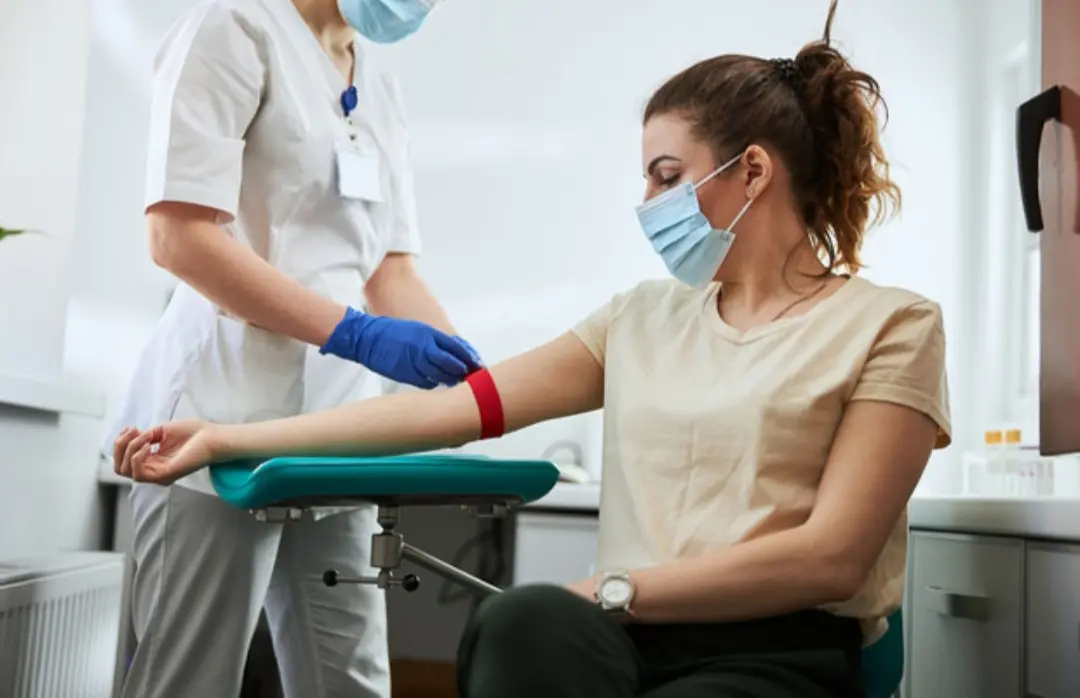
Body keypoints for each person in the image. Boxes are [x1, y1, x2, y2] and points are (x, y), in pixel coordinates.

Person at [114, 1, 951, 695]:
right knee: (504, 621)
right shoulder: (643, 319)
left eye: (664, 176)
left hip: (767, 645)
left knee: (368, 669)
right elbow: (451, 411)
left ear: (754, 173)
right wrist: (227, 433)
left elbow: (834, 557)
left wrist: (607, 591)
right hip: (222, 389)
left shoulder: (889, 324)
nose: (648, 203)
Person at [105, 0, 479, 696]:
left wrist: (477, 377)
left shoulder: (380, 83)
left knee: (352, 681)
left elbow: (390, 270)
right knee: (189, 680)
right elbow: (179, 235)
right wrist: (354, 332)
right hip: (221, 408)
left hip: (337, 431)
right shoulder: (234, 27)